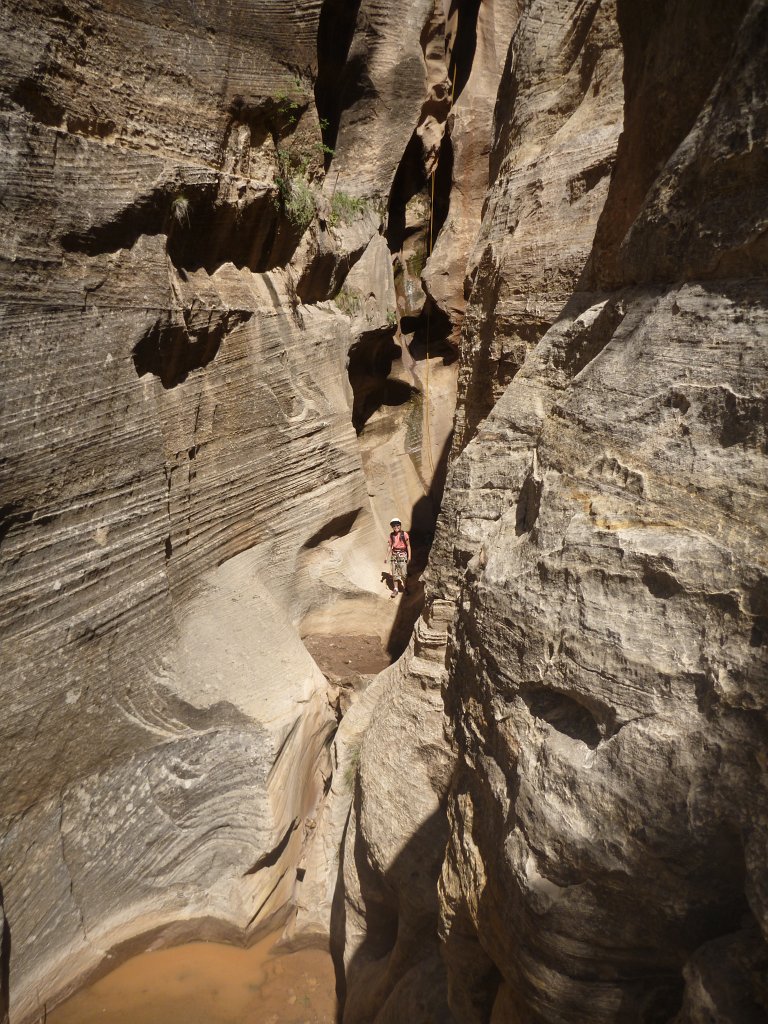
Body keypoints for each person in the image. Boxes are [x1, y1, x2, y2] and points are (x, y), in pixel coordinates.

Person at [385, 517, 411, 597]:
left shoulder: (404, 534)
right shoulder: (391, 535)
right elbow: (390, 546)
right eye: (394, 526)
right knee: (394, 573)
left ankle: (405, 587)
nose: (396, 527)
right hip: (394, 555)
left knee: (404, 574)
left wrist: (409, 557)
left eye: (397, 525)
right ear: (392, 527)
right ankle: (395, 589)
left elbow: (408, 546)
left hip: (402, 555)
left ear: (400, 525)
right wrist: (386, 557)